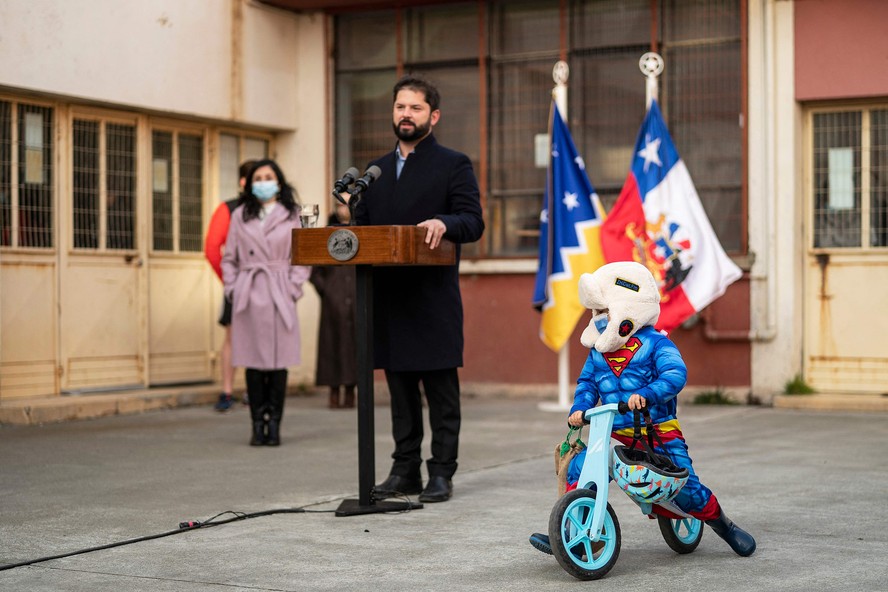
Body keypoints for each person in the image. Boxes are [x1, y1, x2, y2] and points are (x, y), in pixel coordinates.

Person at [528, 261, 756, 557]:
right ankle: (570, 531)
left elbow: (675, 375)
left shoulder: (656, 344)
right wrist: (580, 408)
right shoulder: (599, 351)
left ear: (628, 310)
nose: (598, 319)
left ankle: (724, 525)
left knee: (686, 490)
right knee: (581, 467)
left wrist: (646, 395)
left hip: (656, 430)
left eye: (604, 312)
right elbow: (587, 383)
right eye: (595, 313)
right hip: (612, 429)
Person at [354, 74, 485, 503]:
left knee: (441, 394)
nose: (405, 114)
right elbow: (363, 233)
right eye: (399, 107)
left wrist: (444, 222)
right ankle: (404, 470)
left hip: (432, 300)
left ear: (434, 115)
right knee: (400, 393)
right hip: (389, 300)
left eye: (414, 108)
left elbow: (473, 221)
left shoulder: (452, 164)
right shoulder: (373, 172)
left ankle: (441, 472)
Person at [221, 159, 311, 446]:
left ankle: (275, 426)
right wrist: (234, 288)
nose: (263, 182)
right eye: (257, 177)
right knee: (254, 363)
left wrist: (294, 287)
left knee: (278, 363)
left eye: (268, 176)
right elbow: (229, 258)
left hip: (279, 292)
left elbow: (303, 254)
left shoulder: (292, 214)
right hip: (249, 293)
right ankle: (257, 424)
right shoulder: (240, 216)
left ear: (279, 181)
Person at [205, 159, 256, 412]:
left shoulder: (275, 210)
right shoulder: (228, 209)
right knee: (233, 337)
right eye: (255, 178)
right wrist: (230, 281)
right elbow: (212, 249)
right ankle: (227, 390)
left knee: (258, 337)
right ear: (243, 181)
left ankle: (252, 391)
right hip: (238, 284)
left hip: (264, 286)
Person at [309, 202, 358, 409]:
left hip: (356, 300)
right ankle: (333, 392)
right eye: (340, 204)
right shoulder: (326, 233)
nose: (343, 208)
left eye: (348, 203)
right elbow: (315, 272)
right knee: (331, 346)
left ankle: (350, 393)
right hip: (332, 302)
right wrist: (327, 290)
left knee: (354, 347)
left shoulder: (363, 230)